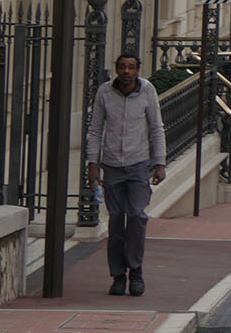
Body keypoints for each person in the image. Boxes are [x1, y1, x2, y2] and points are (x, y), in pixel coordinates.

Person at [86, 53, 166, 296]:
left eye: (131, 67)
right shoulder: (105, 93)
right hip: (112, 166)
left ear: (138, 70)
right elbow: (95, 129)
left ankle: (136, 271)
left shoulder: (147, 92)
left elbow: (156, 127)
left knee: (137, 218)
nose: (126, 72)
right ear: (117, 69)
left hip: (139, 164)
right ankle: (118, 276)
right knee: (116, 222)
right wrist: (92, 164)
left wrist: (160, 162)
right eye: (122, 67)